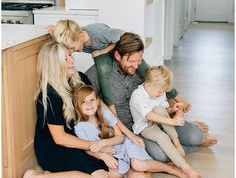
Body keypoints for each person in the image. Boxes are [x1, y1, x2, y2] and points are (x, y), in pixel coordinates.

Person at [6, 41, 119, 178]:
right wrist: (97, 147)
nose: (71, 61)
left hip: (79, 141)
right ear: (54, 65)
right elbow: (60, 138)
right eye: (65, 59)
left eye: (70, 56)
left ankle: (50, 177)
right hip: (55, 148)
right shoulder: (49, 96)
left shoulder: (82, 79)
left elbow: (101, 110)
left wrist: (111, 139)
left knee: (115, 173)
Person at [86, 32, 217, 163]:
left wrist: (173, 109)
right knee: (161, 155)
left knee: (195, 136)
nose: (136, 66)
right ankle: (179, 145)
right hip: (136, 128)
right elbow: (81, 92)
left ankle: (186, 135)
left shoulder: (141, 69)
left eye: (139, 61)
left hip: (160, 117)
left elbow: (160, 89)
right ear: (118, 56)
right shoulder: (100, 71)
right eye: (131, 61)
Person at [47, 19, 185, 113]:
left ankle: (177, 97)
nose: (71, 51)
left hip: (119, 49)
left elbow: (124, 35)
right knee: (103, 70)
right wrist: (53, 31)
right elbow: (64, 35)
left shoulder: (98, 33)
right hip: (106, 54)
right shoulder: (73, 36)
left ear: (80, 35)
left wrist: (103, 51)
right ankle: (112, 109)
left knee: (149, 73)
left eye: (71, 48)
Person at [73, 84, 193, 178]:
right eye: (84, 102)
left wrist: (102, 144)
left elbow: (120, 138)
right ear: (77, 106)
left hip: (126, 145)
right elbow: (88, 148)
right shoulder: (79, 127)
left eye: (92, 100)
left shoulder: (104, 113)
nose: (89, 104)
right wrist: (103, 154)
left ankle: (170, 169)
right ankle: (148, 168)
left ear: (97, 101)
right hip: (115, 155)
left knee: (138, 165)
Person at [130, 65, 202, 178]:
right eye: (160, 92)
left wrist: (173, 109)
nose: (162, 94)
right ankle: (185, 167)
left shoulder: (159, 92)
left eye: (164, 91)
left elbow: (164, 111)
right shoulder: (137, 96)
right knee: (162, 137)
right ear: (148, 85)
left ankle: (176, 143)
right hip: (145, 126)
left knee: (159, 110)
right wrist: (172, 121)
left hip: (159, 119)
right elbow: (149, 115)